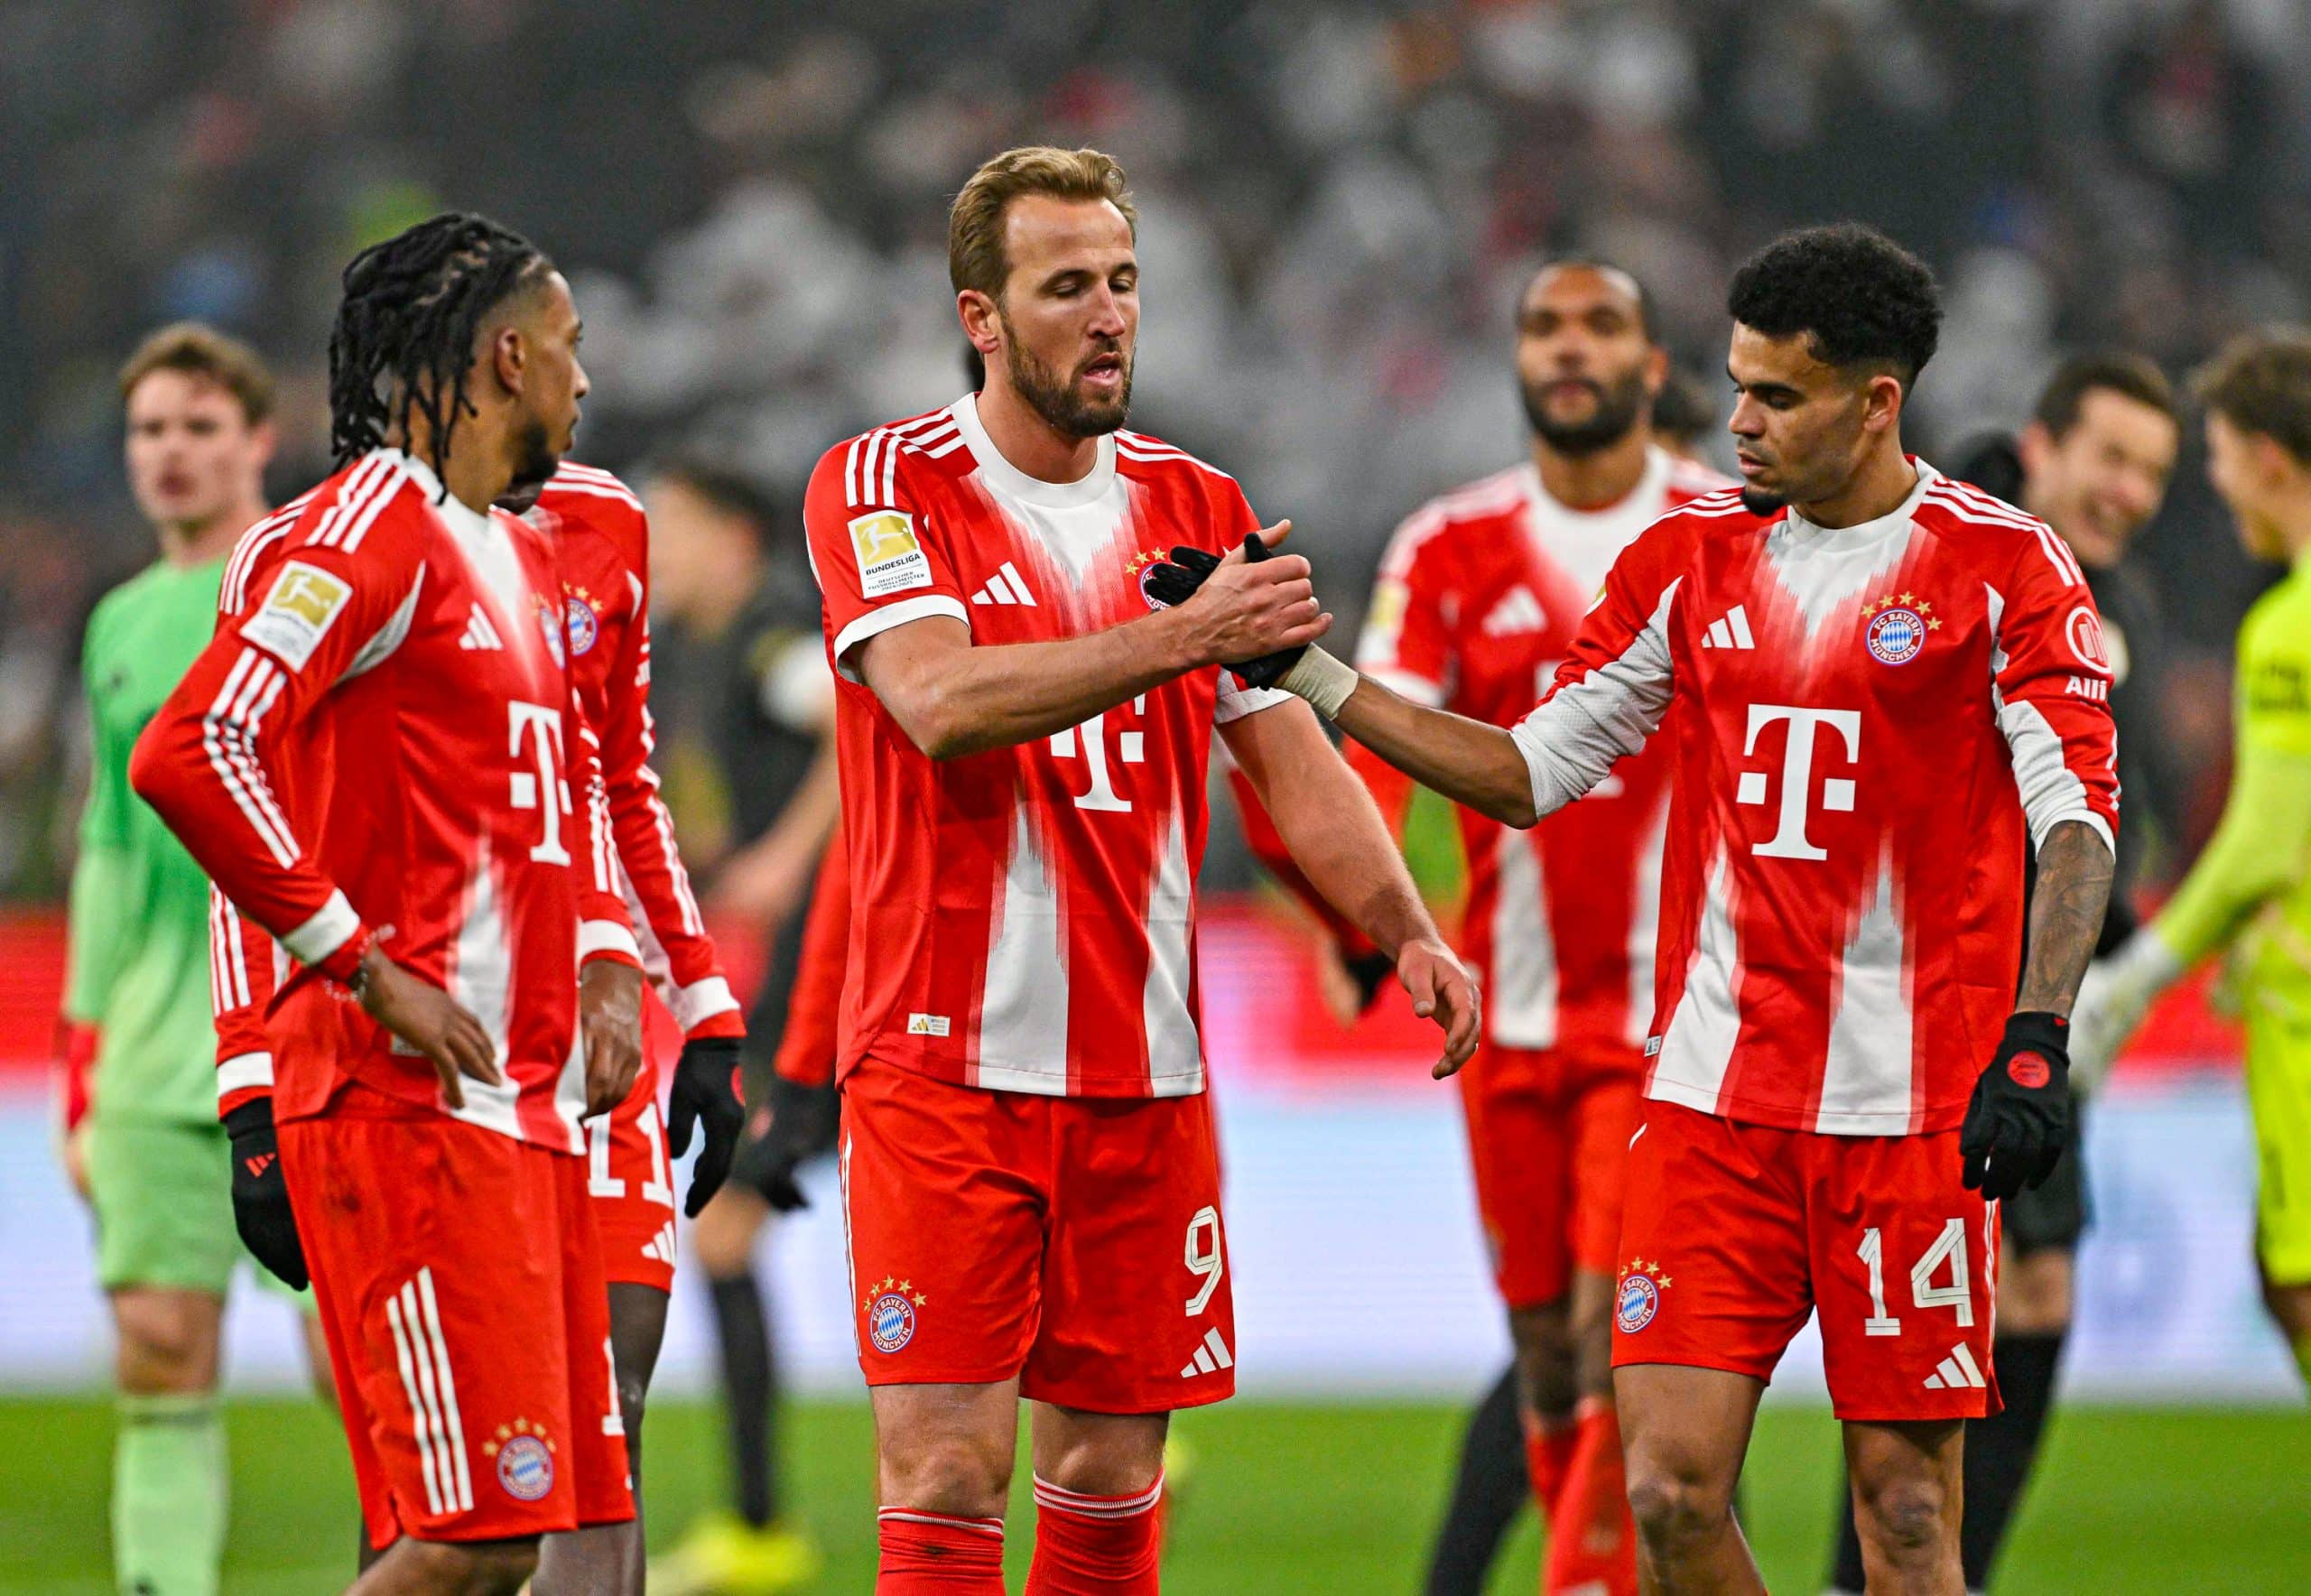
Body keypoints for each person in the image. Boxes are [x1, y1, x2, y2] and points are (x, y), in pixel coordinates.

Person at [1191, 223, 2117, 1593]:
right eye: (1736, 387)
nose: (1737, 421)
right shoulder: (1688, 561)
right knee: (1672, 1490)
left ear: (1877, 402)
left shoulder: (2007, 571)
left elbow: (2077, 826)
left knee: (1909, 1514)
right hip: (1710, 1106)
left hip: (1911, 1117)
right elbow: (1525, 769)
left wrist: (2034, 1035)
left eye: (1778, 397)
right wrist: (1312, 676)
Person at [806, 144, 1480, 1594]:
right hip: (945, 1066)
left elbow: (1289, 754)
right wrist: (1183, 636)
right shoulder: (883, 482)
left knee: (1111, 1480)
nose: (1107, 316)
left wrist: (1401, 924)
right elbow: (938, 703)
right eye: (1065, 288)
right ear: (981, 318)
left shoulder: (1197, 503)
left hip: (1142, 1075)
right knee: (944, 1471)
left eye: (1121, 283)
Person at [130, 211, 646, 1596]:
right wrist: (356, 961)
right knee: (459, 1544)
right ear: (506, 356)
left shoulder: (525, 556)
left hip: (522, 1109)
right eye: (572, 352)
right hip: (397, 1104)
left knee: (520, 1540)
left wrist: (604, 950)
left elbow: (565, 789)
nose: (585, 387)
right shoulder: (371, 526)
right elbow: (193, 748)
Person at [1279, 259, 1725, 1596]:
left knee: (1610, 1345)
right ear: (1518, 361)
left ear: (1653, 365)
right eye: (1544, 326)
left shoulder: (1726, 530)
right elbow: (1369, 755)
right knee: (1541, 1351)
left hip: (1672, 1026)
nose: (1570, 348)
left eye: (1601, 326)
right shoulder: (1450, 544)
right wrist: (1361, 909)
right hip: (1509, 1016)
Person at [1824, 350, 2180, 1596]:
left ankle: (1928, 1569)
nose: (2131, 492)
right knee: (1933, 1306)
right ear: (2040, 446)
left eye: (2153, 473)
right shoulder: (1979, 541)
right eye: (2112, 459)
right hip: (1937, 986)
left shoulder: (2108, 601)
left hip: (2036, 997)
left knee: (2025, 1295)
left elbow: (2098, 816)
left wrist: (2130, 948)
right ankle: (1878, 1570)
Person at [58, 323, 330, 1596]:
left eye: (198, 429)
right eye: (150, 431)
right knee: (159, 1350)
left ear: (257, 440)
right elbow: (112, 838)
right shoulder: (118, 619)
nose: (170, 454)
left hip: (312, 1027)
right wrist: (82, 1047)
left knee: (359, 1360)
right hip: (158, 1046)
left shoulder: (309, 584)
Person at [2072, 327, 2311, 1396]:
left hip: (2300, 1013)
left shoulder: (2286, 630)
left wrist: (2129, 982)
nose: (2213, 489)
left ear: (2266, 458)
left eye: (2213, 458)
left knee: (2298, 1287)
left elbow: (2265, 838)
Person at [638, 454, 839, 1596]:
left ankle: (761, 1530)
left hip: (836, 979)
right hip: (800, 985)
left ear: (733, 535)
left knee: (720, 1233)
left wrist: (779, 860)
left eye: (670, 523)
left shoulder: (771, 636)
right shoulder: (705, 654)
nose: (653, 544)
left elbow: (864, 729)